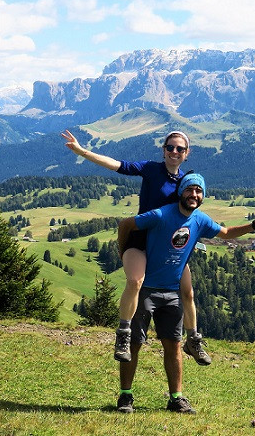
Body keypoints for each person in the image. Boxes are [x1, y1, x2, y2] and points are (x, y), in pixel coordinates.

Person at [115, 173, 255, 413]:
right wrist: (124, 252)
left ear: (203, 196)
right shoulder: (161, 214)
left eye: (199, 191)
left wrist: (254, 226)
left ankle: (176, 398)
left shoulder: (200, 220)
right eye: (190, 190)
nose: (194, 195)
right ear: (181, 192)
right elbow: (126, 224)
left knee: (173, 346)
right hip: (145, 290)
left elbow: (226, 233)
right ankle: (126, 396)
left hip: (172, 291)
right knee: (133, 345)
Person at [61, 129, 211, 365]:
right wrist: (82, 151)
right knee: (135, 282)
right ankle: (123, 334)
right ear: (163, 150)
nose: (174, 152)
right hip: (141, 241)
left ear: (186, 154)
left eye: (179, 149)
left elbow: (190, 210)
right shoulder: (151, 169)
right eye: (170, 147)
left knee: (188, 291)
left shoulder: (185, 182)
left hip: (168, 247)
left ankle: (193, 340)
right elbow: (117, 165)